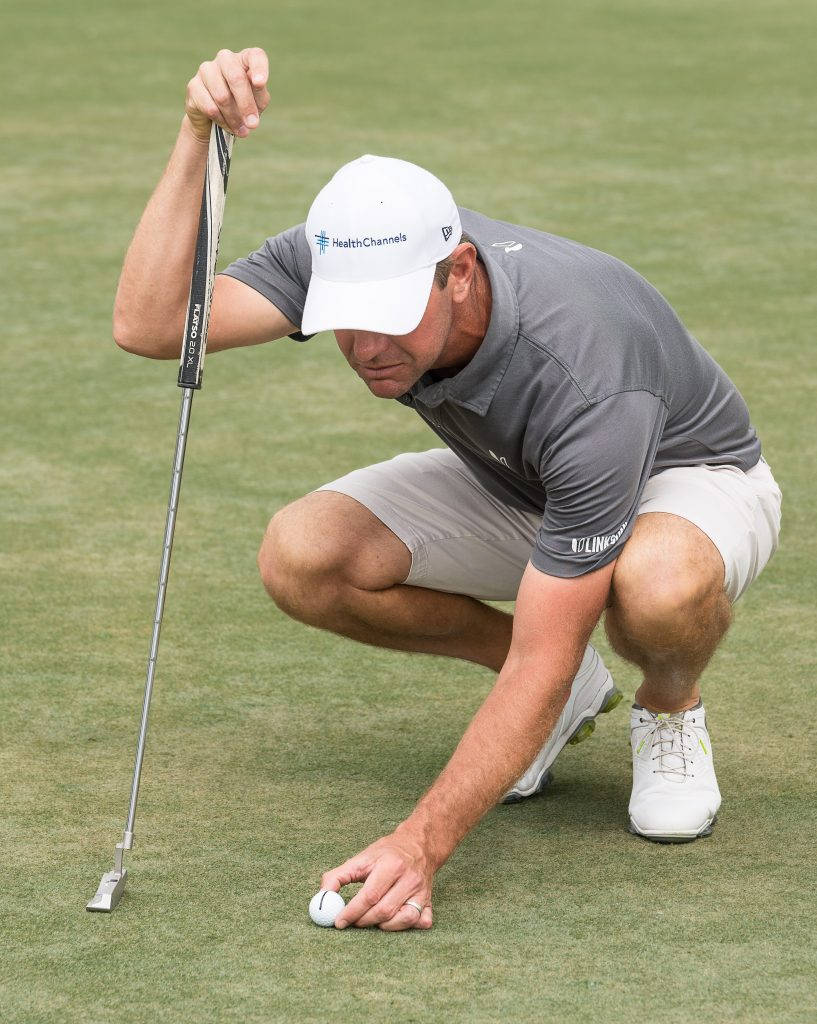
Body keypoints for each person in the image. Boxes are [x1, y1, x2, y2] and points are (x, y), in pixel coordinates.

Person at [114, 47, 782, 932]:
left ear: (457, 271)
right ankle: (570, 699)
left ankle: (668, 709)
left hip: (685, 476)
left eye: (391, 318)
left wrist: (418, 845)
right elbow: (156, 327)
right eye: (345, 323)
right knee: (306, 555)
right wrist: (196, 132)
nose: (367, 348)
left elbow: (547, 641)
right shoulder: (351, 253)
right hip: (521, 477)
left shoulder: (583, 366)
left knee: (650, 592)